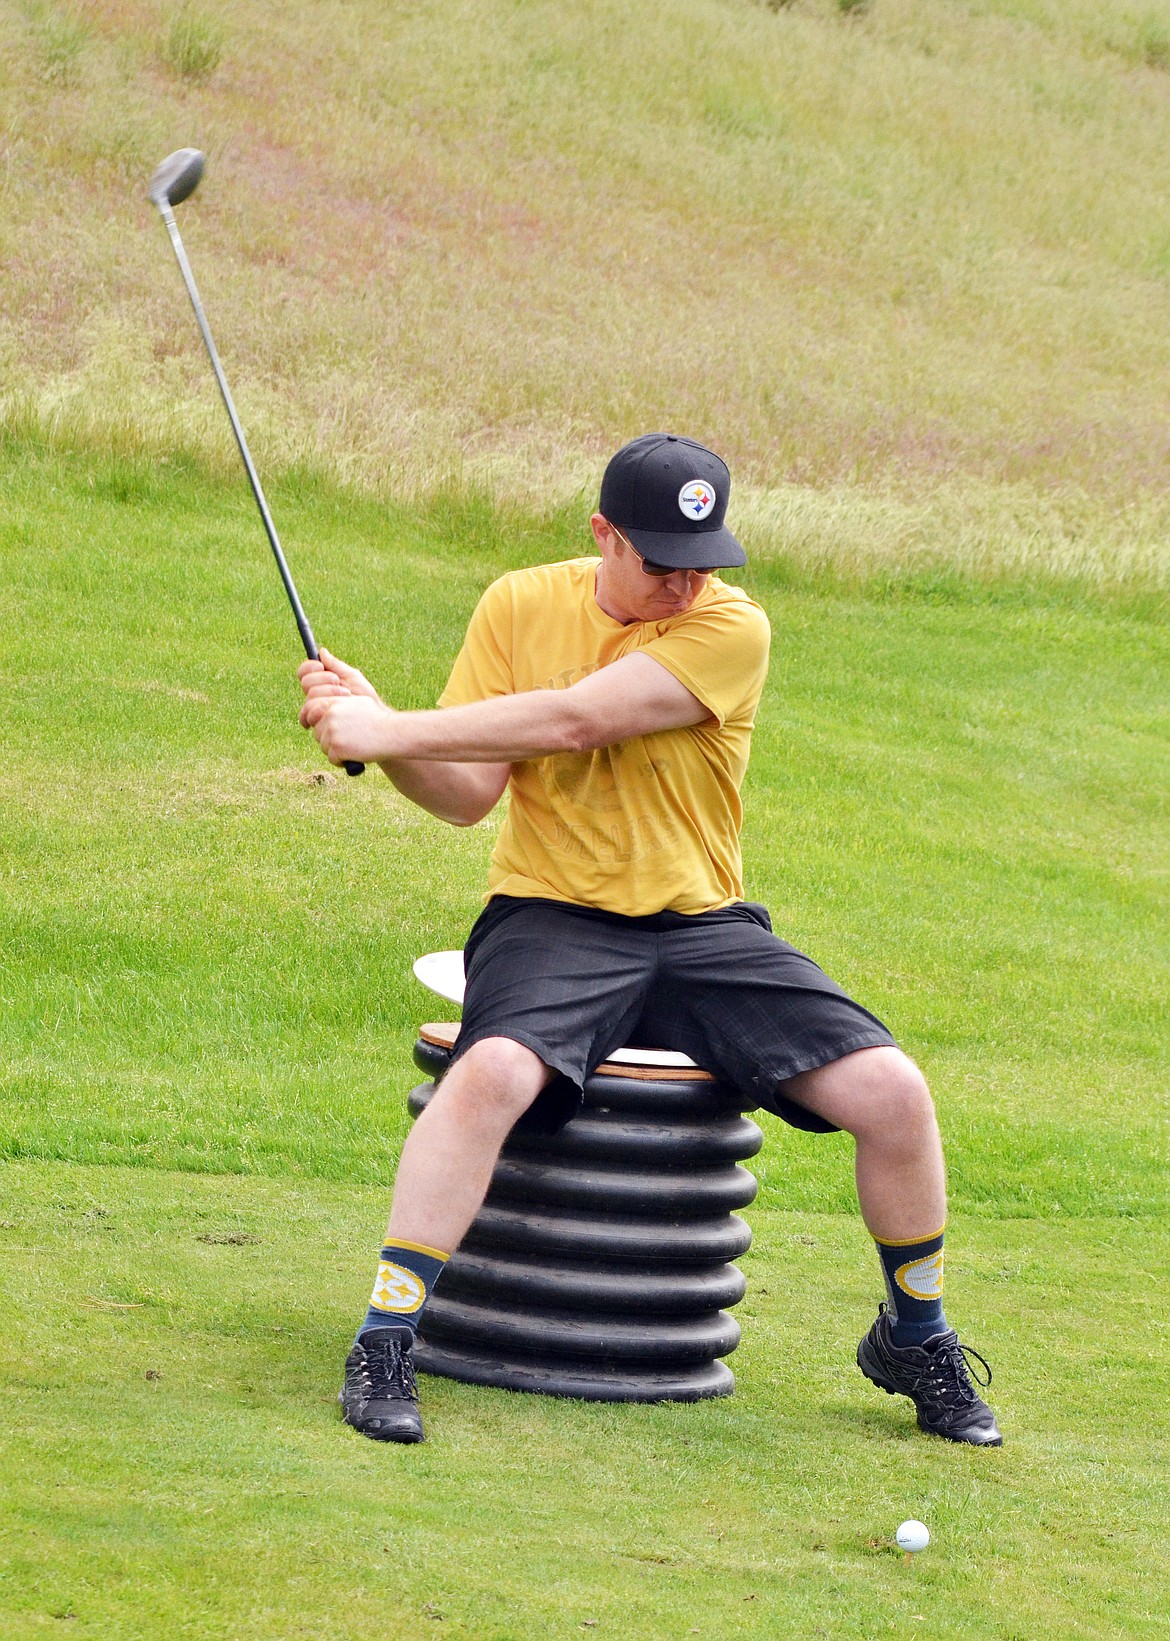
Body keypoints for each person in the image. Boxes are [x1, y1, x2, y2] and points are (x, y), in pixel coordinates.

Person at [297, 432, 1002, 1449]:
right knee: (490, 1071)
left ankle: (915, 1335)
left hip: (702, 928)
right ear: (604, 537)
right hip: (551, 917)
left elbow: (580, 720)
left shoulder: (730, 627)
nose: (685, 583)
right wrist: (368, 729)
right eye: (662, 560)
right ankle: (386, 1337)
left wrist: (388, 727)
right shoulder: (517, 604)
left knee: (894, 1093)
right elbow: (463, 792)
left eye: (702, 558)